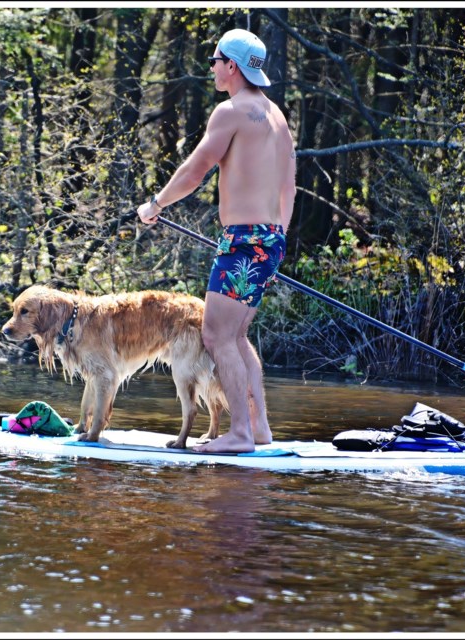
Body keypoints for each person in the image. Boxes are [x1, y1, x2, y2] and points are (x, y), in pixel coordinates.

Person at [137, 28, 296, 453]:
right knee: (237, 336)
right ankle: (258, 428)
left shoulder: (231, 112)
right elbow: (289, 190)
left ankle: (241, 434)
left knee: (217, 335)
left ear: (232, 66)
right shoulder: (277, 117)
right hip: (269, 239)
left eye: (215, 59)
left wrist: (156, 204)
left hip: (244, 243)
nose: (211, 66)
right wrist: (275, 244)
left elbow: (195, 171)